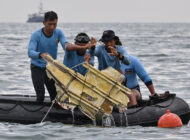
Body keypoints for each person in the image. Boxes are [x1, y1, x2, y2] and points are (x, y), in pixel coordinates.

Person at [28, 11, 95, 103]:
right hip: (37, 68)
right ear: (44, 23)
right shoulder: (36, 35)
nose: (52, 27)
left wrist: (84, 47)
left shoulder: (58, 32)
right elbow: (30, 52)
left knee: (55, 97)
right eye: (49, 24)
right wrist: (40, 54)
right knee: (40, 96)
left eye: (54, 24)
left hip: (50, 69)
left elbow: (67, 46)